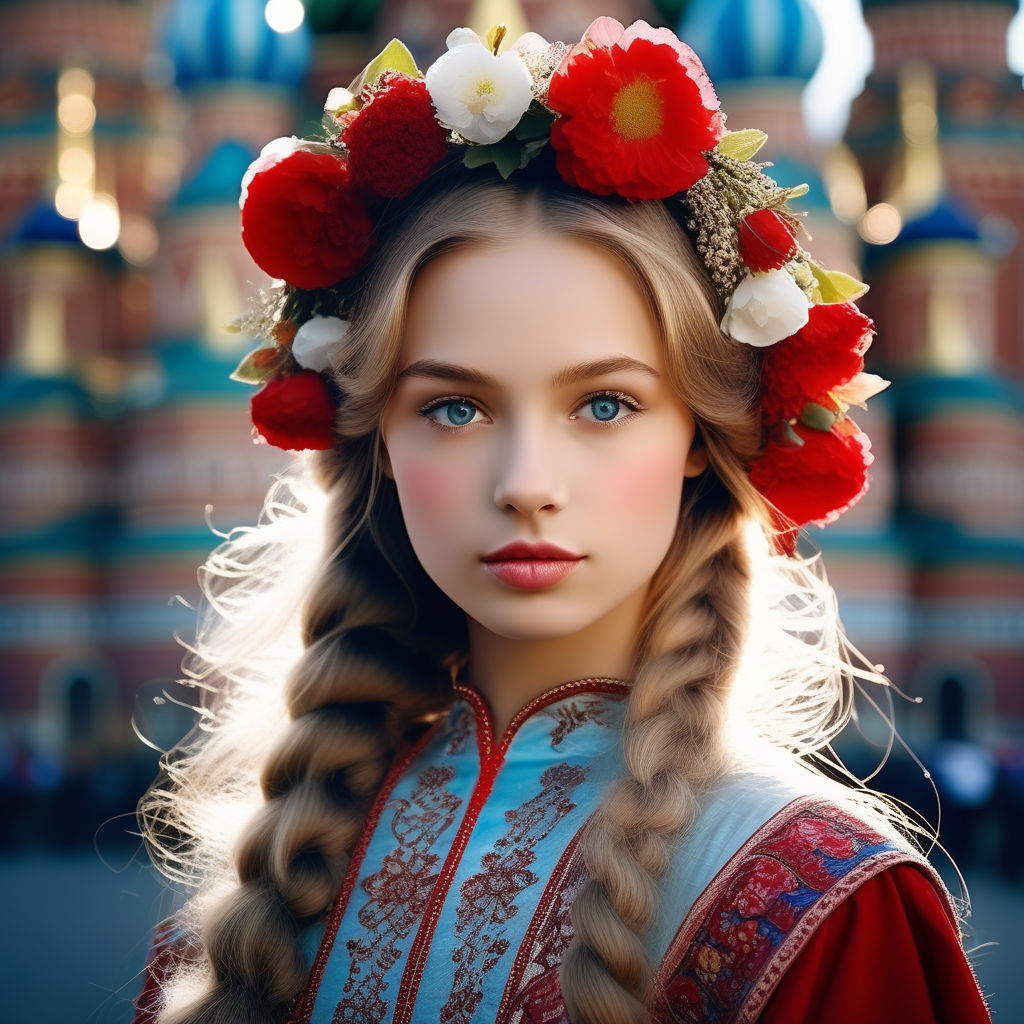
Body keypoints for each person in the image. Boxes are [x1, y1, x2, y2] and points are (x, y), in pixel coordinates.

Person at [134, 18, 991, 1024]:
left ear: (696, 436)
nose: (526, 483)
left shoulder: (823, 905)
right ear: (378, 444)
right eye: (453, 407)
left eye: (604, 405)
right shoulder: (246, 915)